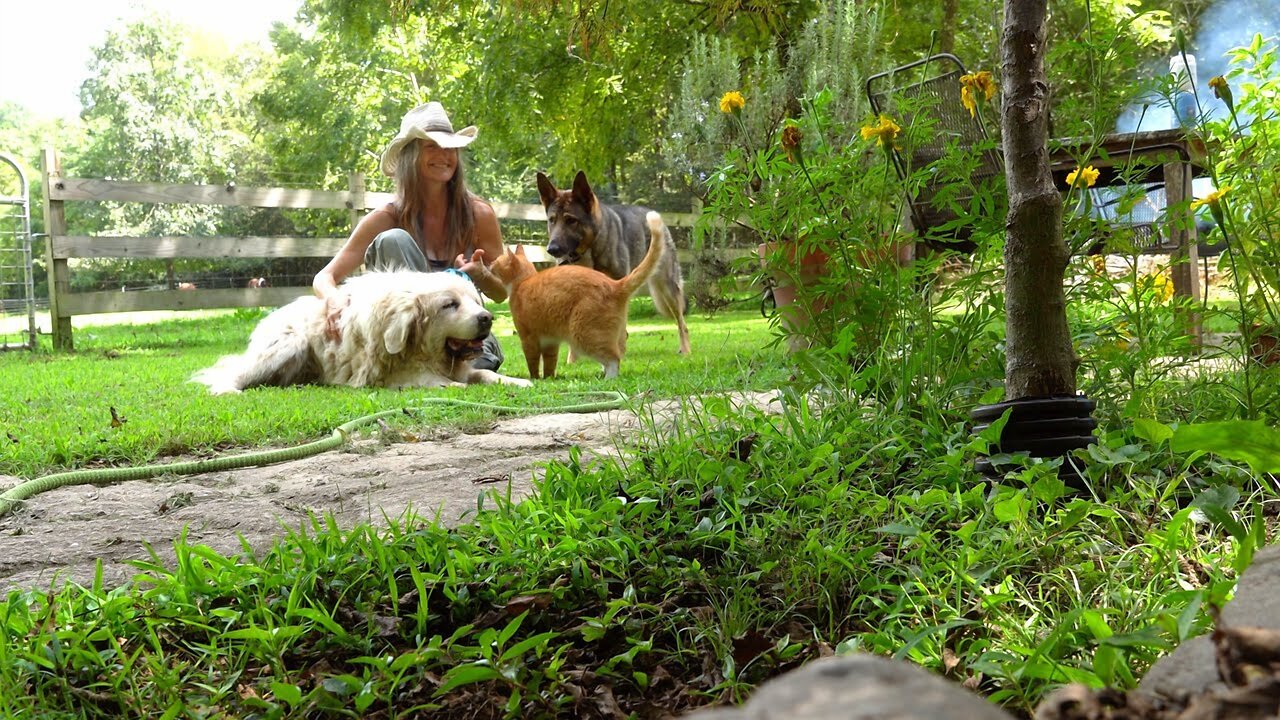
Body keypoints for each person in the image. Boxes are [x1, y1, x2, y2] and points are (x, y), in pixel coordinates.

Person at [313, 101, 508, 370]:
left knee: (479, 363)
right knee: (394, 240)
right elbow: (324, 277)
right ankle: (411, 363)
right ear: (410, 157)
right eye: (431, 146)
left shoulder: (478, 214)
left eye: (450, 147)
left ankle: (466, 358)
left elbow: (502, 293)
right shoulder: (385, 217)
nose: (444, 154)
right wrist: (333, 301)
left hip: (464, 335)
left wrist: (481, 275)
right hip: (406, 341)